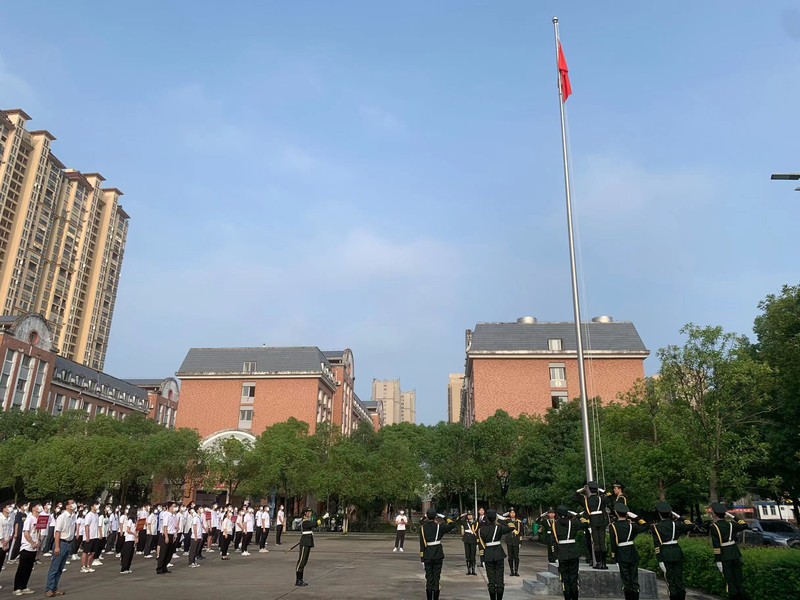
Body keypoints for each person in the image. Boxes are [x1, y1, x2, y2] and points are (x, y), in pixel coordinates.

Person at [651, 501, 694, 600]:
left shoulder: (656, 527)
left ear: (659, 514)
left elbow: (657, 545)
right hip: (677, 552)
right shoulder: (676, 524)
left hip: (665, 554)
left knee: (671, 580)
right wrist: (680, 517)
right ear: (671, 514)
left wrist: (660, 560)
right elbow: (691, 525)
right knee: (679, 579)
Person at [609, 502, 649, 600]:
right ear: (627, 514)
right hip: (632, 553)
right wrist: (636, 518)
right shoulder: (632, 526)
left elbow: (613, 542)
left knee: (626, 580)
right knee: (634, 579)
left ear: (616, 513)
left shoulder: (613, 526)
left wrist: (614, 555)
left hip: (621, 553)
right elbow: (646, 526)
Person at [708, 502, 748, 600]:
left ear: (715, 515)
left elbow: (716, 545)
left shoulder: (714, 527)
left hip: (724, 555)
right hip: (735, 553)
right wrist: (733, 516)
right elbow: (744, 525)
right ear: (725, 514)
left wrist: (718, 560)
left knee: (730, 581)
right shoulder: (731, 524)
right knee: (738, 579)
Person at [419, 507, 459, 600]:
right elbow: (453, 524)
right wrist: (444, 517)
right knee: (436, 578)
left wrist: (422, 558)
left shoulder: (422, 528)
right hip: (437, 554)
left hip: (427, 554)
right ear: (436, 517)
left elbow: (422, 544)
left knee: (429, 579)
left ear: (427, 516)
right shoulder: (439, 527)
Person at [553, 505, 590, 600]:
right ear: (567, 514)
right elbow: (586, 523)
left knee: (565, 580)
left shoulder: (554, 524)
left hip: (562, 553)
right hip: (573, 552)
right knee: (574, 578)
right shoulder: (573, 523)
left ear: (557, 514)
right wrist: (578, 516)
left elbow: (553, 540)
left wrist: (555, 555)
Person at [478, 509, 514, 600]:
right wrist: (502, 519)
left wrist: (482, 558)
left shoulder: (481, 530)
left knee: (491, 581)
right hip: (498, 554)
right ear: (495, 518)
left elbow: (481, 545)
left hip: (488, 555)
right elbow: (512, 527)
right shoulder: (499, 528)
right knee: (499, 579)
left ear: (486, 518)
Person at [575, 481, 612, 569]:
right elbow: (610, 497)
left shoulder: (586, 500)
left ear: (590, 490)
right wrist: (602, 490)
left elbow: (574, 495)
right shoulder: (601, 499)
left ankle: (598, 563)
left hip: (593, 521)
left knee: (596, 542)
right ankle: (604, 563)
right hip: (602, 520)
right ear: (596, 490)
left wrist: (583, 489)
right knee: (602, 542)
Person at [45, 498, 76, 597]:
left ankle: (54, 587)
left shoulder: (73, 517)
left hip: (68, 543)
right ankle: (49, 589)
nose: (73, 505)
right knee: (54, 567)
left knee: (60, 568)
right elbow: (57, 532)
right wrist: (57, 546)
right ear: (66, 506)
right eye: (71, 503)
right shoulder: (62, 517)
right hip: (61, 543)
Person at [13, 501, 42, 596]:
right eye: (38, 506)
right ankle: (17, 588)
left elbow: (39, 531)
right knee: (22, 568)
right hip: (27, 547)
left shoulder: (39, 518)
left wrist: (38, 541)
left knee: (29, 568)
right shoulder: (29, 518)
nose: (39, 507)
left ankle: (24, 586)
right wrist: (32, 543)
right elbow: (26, 533)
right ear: (33, 508)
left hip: (34, 547)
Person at [295, 507, 315, 587]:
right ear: (305, 513)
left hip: (308, 542)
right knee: (301, 561)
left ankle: (301, 579)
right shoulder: (305, 522)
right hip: (305, 542)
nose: (310, 513)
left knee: (305, 561)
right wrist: (323, 518)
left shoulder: (307, 521)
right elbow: (314, 524)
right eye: (308, 512)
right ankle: (298, 580)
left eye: (310, 512)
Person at [81, 502, 100, 573]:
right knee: (85, 552)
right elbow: (87, 526)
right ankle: (83, 566)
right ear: (92, 506)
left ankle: (88, 566)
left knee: (93, 552)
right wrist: (87, 536)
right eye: (95, 505)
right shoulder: (89, 515)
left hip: (95, 536)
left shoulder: (96, 515)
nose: (97, 506)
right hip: (89, 536)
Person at [503, 507, 522, 577]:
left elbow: (521, 532)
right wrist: (505, 514)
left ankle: (516, 571)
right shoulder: (507, 521)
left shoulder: (518, 522)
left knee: (516, 557)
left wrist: (520, 542)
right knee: (510, 557)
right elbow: (499, 520)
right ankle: (511, 571)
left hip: (516, 541)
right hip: (509, 541)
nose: (512, 514)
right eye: (511, 512)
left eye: (513, 512)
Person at [460, 510, 478, 576]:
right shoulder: (465, 522)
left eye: (471, 515)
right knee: (467, 555)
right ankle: (469, 570)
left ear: (473, 516)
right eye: (468, 515)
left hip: (473, 540)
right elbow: (457, 521)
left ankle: (473, 570)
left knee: (473, 555)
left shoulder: (476, 523)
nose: (469, 516)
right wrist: (461, 516)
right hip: (466, 540)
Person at [119, 507, 137, 574]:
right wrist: (134, 534)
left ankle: (127, 568)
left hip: (132, 539)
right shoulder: (130, 521)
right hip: (129, 539)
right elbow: (128, 530)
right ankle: (123, 569)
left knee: (130, 554)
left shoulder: (134, 521)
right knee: (127, 554)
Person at [1, 502, 13, 587]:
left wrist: (7, 541)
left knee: (1, 562)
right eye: (8, 506)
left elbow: (11, 530)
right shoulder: (0, 518)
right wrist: (3, 542)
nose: (10, 508)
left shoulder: (9, 518)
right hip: (1, 543)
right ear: (3, 509)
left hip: (6, 542)